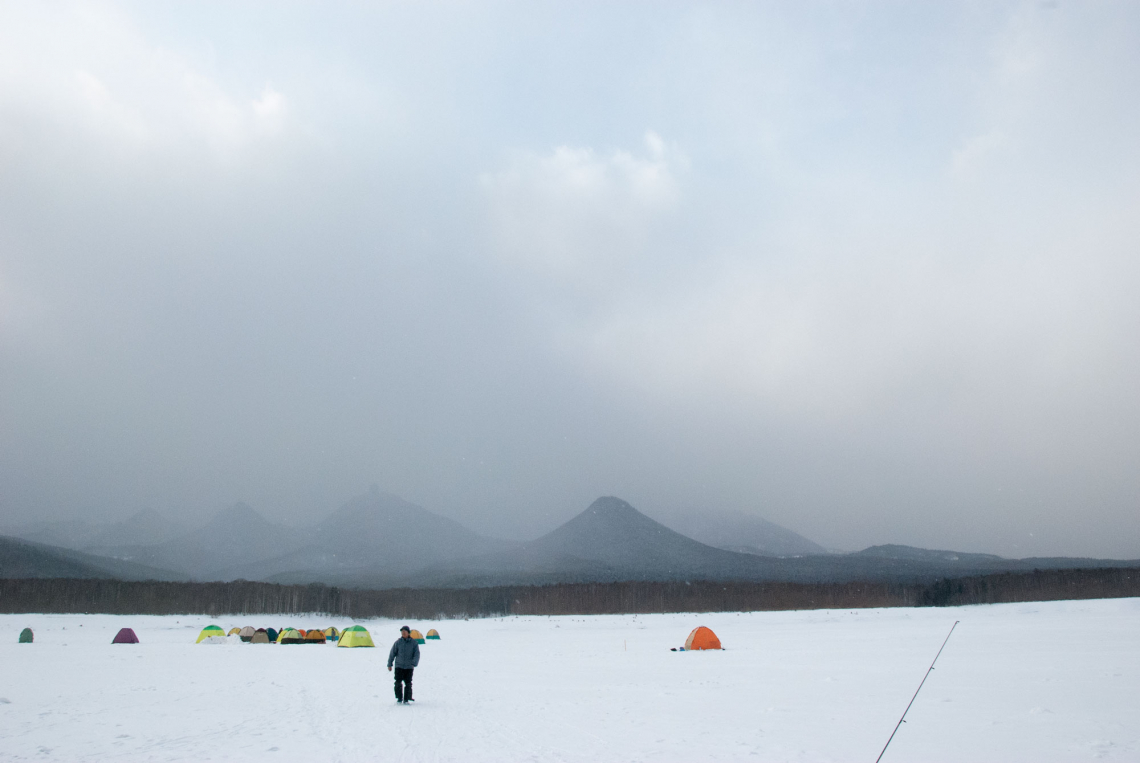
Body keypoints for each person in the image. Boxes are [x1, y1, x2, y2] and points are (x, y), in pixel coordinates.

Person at [387, 625, 420, 704]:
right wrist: (389, 664)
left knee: (408, 683)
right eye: (402, 632)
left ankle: (406, 699)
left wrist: (414, 663)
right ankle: (399, 698)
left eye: (404, 632)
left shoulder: (414, 643)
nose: (403, 633)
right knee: (398, 682)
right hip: (399, 666)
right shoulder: (398, 642)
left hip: (409, 667)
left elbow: (417, 654)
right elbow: (392, 653)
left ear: (408, 633)